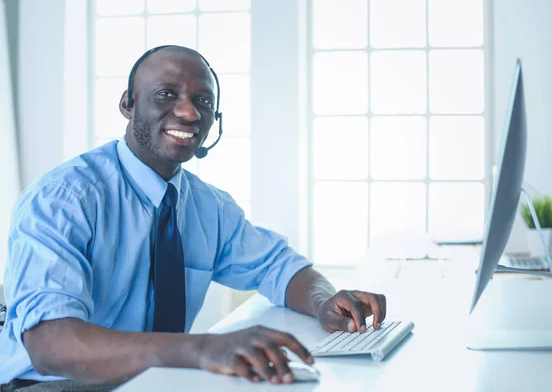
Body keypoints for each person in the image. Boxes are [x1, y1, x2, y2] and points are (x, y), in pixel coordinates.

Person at [0, 45, 387, 391]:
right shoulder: (65, 198)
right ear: (128, 103)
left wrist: (324, 303)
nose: (188, 112)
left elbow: (278, 266)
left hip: (154, 375)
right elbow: (51, 346)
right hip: (54, 383)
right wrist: (202, 348)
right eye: (167, 94)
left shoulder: (207, 206)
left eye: (202, 101)